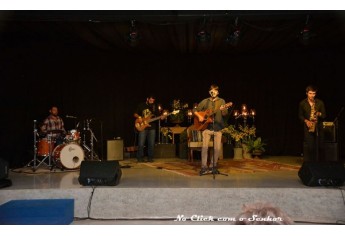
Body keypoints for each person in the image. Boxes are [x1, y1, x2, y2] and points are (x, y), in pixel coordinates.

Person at [194, 84, 229, 175]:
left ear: (218, 92)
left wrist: (223, 109)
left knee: (217, 148)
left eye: (215, 90)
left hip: (218, 128)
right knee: (205, 148)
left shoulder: (222, 101)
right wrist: (200, 117)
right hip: (206, 127)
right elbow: (195, 110)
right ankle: (204, 167)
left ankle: (213, 166)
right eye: (212, 90)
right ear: (210, 92)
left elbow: (225, 114)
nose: (213, 92)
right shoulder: (205, 101)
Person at [298, 85, 326, 161]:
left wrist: (318, 113)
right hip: (308, 126)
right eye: (310, 93)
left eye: (314, 93)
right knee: (310, 147)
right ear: (306, 93)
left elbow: (324, 115)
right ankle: (311, 164)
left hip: (318, 127)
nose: (312, 95)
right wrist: (306, 121)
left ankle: (319, 164)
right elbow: (300, 115)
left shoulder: (320, 102)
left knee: (320, 146)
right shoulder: (302, 103)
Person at [134, 95, 165, 163]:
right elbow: (135, 114)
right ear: (147, 99)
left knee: (151, 143)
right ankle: (140, 158)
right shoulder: (141, 105)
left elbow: (157, 116)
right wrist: (139, 117)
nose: (152, 101)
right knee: (141, 143)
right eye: (150, 100)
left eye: (153, 100)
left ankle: (150, 157)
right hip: (143, 126)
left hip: (152, 127)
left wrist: (161, 117)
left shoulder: (155, 106)